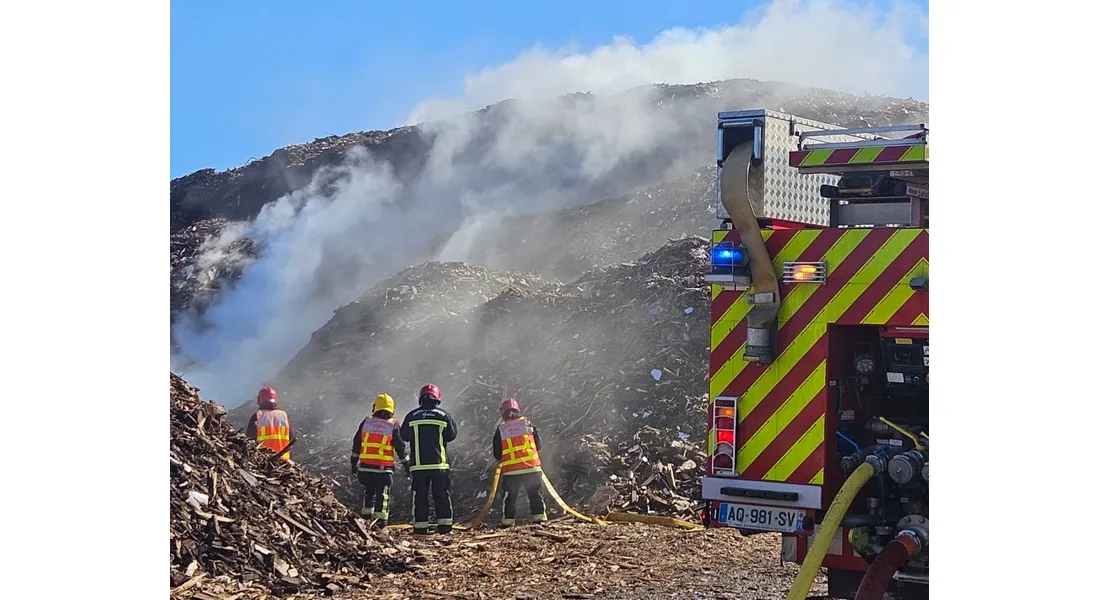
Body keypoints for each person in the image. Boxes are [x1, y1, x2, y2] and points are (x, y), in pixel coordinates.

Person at [400, 383, 458, 534]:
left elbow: (404, 436)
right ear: (437, 399)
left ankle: (420, 528)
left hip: (419, 466)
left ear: (421, 398)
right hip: (439, 465)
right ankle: (445, 527)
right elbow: (451, 435)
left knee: (420, 497)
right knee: (441, 495)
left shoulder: (411, 416)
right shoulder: (444, 416)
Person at [350, 393, 409, 528]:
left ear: (375, 407)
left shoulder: (366, 423)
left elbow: (356, 444)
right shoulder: (392, 425)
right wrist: (407, 465)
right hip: (383, 469)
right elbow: (400, 447)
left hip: (365, 468)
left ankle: (366, 520)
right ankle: (380, 523)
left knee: (369, 492)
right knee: (382, 495)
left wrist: (353, 463)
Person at [492, 397, 547, 527]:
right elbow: (539, 445)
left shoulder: (501, 429)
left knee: (509, 498)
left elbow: (497, 454)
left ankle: (508, 522)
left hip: (512, 472)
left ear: (503, 412)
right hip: (532, 468)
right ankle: (540, 518)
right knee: (535, 494)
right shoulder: (528, 425)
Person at [246, 386, 292, 461]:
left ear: (259, 400)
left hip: (264, 460)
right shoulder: (283, 416)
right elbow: (291, 437)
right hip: (284, 461)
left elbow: (249, 439)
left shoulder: (257, 416)